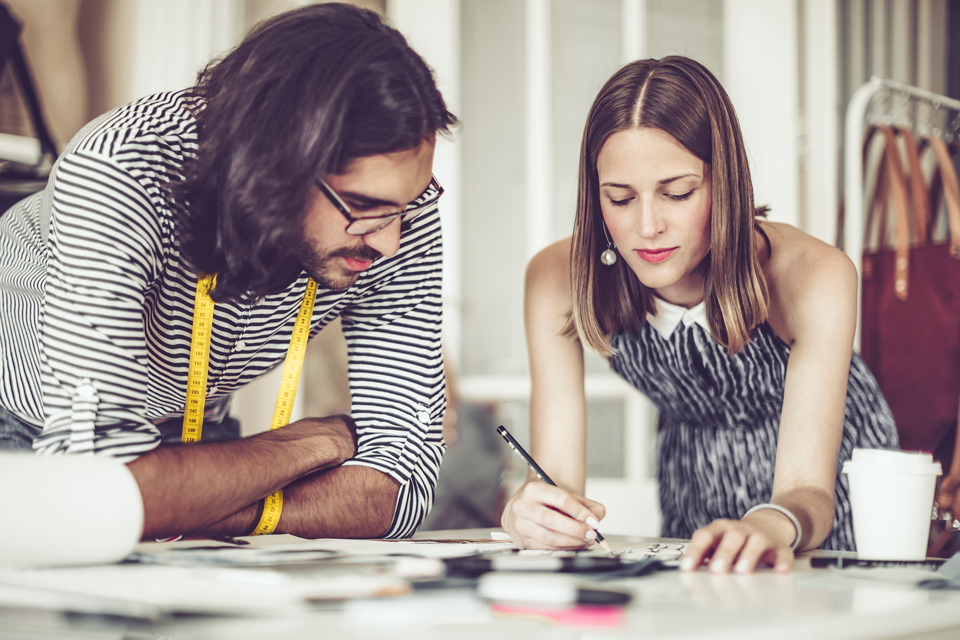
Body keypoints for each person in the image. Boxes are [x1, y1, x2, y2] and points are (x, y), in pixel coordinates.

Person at [0, 3, 457, 541]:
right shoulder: (120, 169)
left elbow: (404, 490)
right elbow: (95, 486)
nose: (391, 241)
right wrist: (310, 445)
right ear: (275, 167)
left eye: (406, 206)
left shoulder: (396, 205)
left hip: (206, 443)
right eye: (361, 205)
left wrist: (179, 502)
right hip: (26, 435)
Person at [501, 56, 899, 573]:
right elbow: (555, 477)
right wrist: (538, 510)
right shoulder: (556, 279)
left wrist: (771, 523)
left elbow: (808, 489)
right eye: (619, 199)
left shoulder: (815, 276)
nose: (647, 227)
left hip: (822, 498)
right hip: (691, 475)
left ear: (724, 185)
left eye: (678, 193)